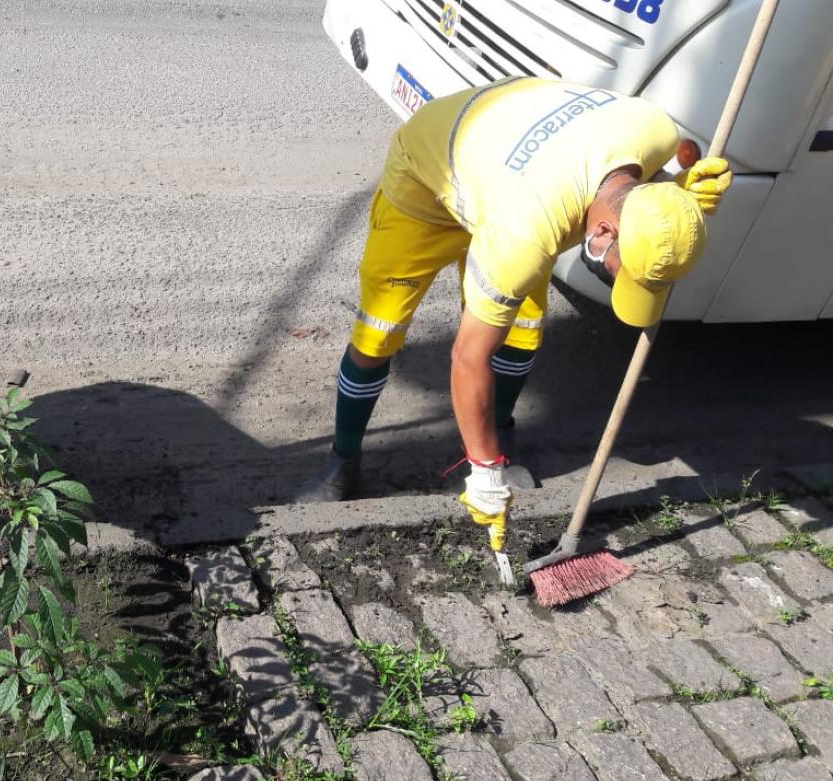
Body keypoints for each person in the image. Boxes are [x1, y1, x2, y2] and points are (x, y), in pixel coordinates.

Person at [294, 77, 731, 535]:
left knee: (521, 330)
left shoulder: (654, 129)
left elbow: (662, 171)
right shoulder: (527, 230)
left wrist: (679, 186)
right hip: (428, 180)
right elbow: (467, 357)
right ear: (603, 233)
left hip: (506, 176)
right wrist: (484, 476)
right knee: (378, 332)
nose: (620, 279)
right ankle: (342, 459)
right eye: (621, 271)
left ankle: (499, 437)